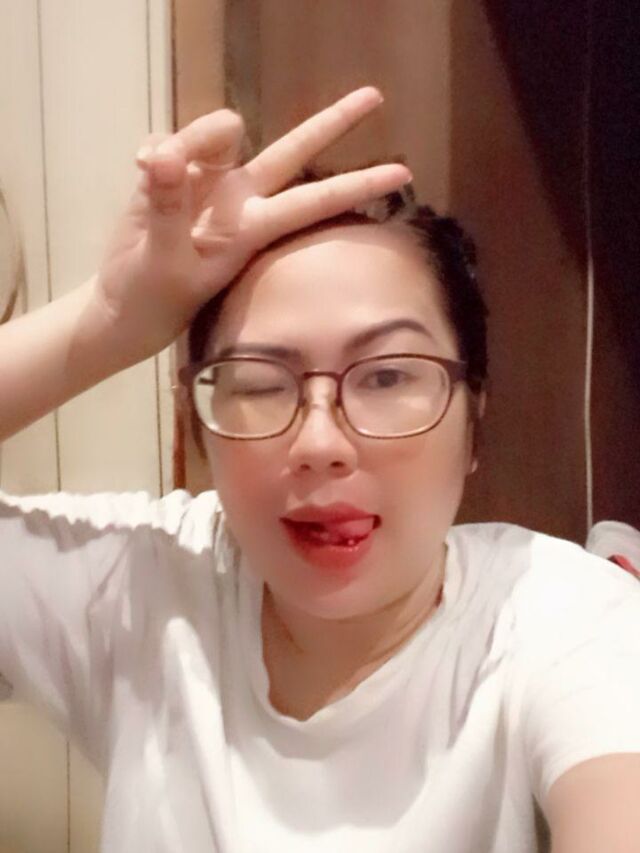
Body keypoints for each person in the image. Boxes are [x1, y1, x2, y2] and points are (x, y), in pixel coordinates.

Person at [1, 86, 639, 853]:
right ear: (197, 427)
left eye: (387, 376)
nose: (319, 441)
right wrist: (101, 321)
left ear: (473, 420)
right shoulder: (144, 590)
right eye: (260, 383)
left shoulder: (562, 617)